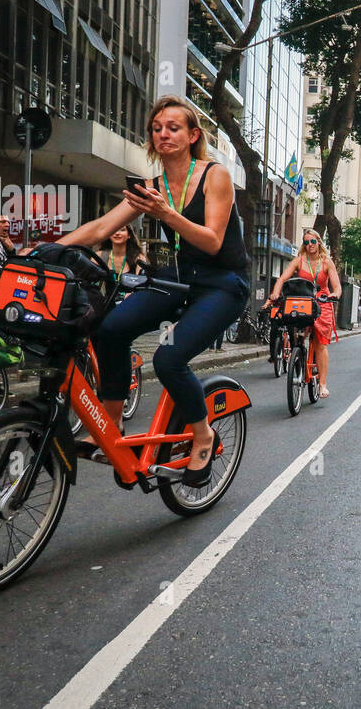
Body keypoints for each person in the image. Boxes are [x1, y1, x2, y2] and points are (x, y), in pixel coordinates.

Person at [55, 95, 250, 486]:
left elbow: (212, 241)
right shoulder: (152, 186)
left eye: (173, 128)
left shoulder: (215, 176)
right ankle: (110, 424)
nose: (163, 134)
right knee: (108, 329)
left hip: (222, 284)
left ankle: (202, 435)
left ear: (193, 135)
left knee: (168, 359)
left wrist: (166, 213)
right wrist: (44, 250)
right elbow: (99, 229)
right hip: (176, 280)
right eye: (157, 128)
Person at [270, 230, 342, 396]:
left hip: (322, 302)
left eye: (312, 242)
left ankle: (322, 384)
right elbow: (282, 279)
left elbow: (336, 286)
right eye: (306, 242)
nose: (310, 245)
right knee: (296, 331)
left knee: (320, 343)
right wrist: (275, 293)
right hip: (303, 301)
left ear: (319, 242)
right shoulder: (298, 261)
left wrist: (335, 294)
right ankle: (298, 352)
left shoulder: (327, 262)